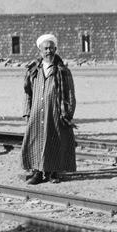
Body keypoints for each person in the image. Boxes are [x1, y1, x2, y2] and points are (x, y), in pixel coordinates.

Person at [21, 33, 77, 185]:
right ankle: (37, 173)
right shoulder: (33, 70)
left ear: (56, 49)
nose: (48, 52)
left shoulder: (63, 71)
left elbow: (70, 93)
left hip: (55, 113)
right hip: (36, 113)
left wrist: (68, 113)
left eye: (51, 48)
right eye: (45, 49)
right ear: (40, 50)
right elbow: (27, 93)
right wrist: (27, 112)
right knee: (36, 141)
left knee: (55, 142)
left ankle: (53, 173)